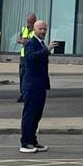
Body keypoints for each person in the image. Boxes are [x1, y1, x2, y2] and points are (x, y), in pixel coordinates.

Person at [19, 20, 50, 154]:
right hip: (31, 85)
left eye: (45, 29)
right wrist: (47, 50)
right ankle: (25, 142)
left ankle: (33, 140)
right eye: (40, 29)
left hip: (40, 85)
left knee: (37, 115)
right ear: (35, 30)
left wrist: (46, 50)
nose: (43, 31)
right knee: (29, 114)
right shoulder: (31, 43)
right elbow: (31, 58)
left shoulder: (40, 43)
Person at [16, 12, 36, 103]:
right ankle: (22, 94)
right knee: (22, 76)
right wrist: (22, 41)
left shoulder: (37, 31)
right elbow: (18, 39)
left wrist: (26, 41)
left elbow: (34, 42)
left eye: (30, 23)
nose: (28, 25)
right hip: (23, 57)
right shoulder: (24, 29)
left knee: (30, 76)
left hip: (31, 57)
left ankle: (29, 94)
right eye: (28, 22)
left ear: (34, 22)